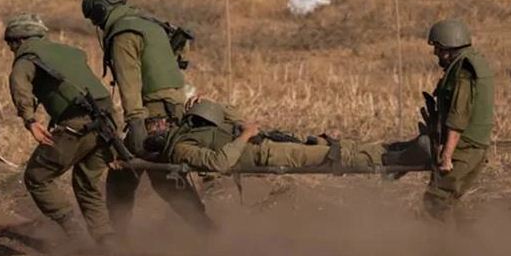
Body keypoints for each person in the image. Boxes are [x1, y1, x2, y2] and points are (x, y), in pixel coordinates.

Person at [80, 0, 214, 234]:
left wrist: (136, 123)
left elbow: (129, 83)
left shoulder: (123, 34)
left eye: (94, 18)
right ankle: (205, 229)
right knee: (163, 176)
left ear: (100, 9)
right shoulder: (150, 24)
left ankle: (119, 238)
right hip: (175, 108)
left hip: (154, 115)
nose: (96, 24)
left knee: (129, 176)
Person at [5, 13, 116, 245]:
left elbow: (18, 82)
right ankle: (107, 240)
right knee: (87, 183)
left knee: (37, 177)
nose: (11, 50)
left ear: (20, 40)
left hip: (77, 123)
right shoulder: (68, 52)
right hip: (109, 122)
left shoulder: (27, 56)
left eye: (11, 44)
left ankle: (77, 238)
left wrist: (30, 120)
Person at [154, 100, 432, 173]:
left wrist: (211, 105)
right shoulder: (180, 148)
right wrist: (245, 136)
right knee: (332, 156)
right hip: (264, 154)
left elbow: (239, 119)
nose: (161, 122)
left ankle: (400, 149)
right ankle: (401, 159)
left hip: (269, 142)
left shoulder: (190, 128)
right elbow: (219, 163)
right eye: (155, 126)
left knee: (334, 144)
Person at [423, 19, 494, 220]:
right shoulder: (476, 62)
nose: (435, 53)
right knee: (449, 203)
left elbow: (458, 116)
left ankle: (443, 241)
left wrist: (447, 155)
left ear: (448, 48)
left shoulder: (463, 71)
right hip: (475, 147)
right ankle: (462, 238)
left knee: (436, 201)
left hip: (464, 149)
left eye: (438, 48)